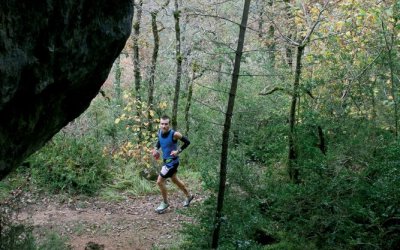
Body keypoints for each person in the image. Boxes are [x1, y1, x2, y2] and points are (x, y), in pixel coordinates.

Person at [152, 115, 193, 213]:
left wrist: (178, 151)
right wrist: (156, 150)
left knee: (159, 181)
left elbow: (187, 142)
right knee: (175, 180)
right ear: (160, 124)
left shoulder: (175, 134)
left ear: (169, 124)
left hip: (172, 162)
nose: (163, 126)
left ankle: (165, 203)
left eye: (166, 124)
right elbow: (159, 142)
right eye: (162, 124)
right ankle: (189, 196)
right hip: (166, 161)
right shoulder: (160, 132)